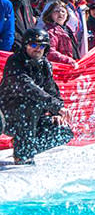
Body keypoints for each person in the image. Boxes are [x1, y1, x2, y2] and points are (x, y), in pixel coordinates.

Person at [0, 28, 74, 165]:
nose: (37, 49)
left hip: (34, 116)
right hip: (8, 116)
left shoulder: (45, 64)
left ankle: (25, 148)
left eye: (42, 46)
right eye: (33, 45)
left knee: (64, 131)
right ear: (25, 45)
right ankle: (24, 154)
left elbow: (52, 90)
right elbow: (29, 88)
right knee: (31, 103)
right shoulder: (15, 61)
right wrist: (57, 107)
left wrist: (56, 112)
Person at [42, 0, 80, 66]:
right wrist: (68, 61)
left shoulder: (68, 29)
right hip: (61, 68)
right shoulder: (50, 31)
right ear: (50, 14)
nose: (60, 13)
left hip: (73, 65)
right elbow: (50, 52)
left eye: (63, 11)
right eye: (56, 11)